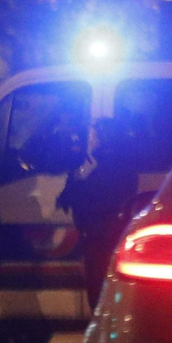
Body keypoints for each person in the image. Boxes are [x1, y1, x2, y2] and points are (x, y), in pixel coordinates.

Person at [58, 115, 140, 309]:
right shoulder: (116, 164)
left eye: (96, 136)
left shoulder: (112, 167)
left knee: (100, 299)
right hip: (104, 238)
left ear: (107, 139)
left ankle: (105, 339)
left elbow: (96, 199)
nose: (92, 141)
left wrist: (73, 190)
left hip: (102, 240)